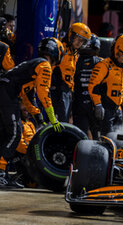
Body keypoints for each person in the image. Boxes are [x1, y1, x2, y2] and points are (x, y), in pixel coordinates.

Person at [0, 37, 64, 188]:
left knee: (4, 134)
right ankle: (1, 174)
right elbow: (43, 93)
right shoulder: (45, 66)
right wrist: (52, 119)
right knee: (15, 134)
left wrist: (39, 118)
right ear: (57, 54)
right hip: (7, 94)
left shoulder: (33, 64)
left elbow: (28, 96)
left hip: (5, 91)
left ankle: (2, 172)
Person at [88, 34, 123, 136]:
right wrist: (98, 105)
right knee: (107, 139)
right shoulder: (104, 65)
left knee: (116, 139)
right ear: (116, 50)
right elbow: (93, 86)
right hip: (105, 109)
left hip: (117, 110)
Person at [51, 22, 91, 122]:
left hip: (67, 92)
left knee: (64, 122)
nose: (79, 42)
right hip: (57, 91)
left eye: (82, 41)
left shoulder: (75, 54)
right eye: (77, 38)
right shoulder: (60, 48)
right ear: (71, 35)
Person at [73, 34, 101, 139]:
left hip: (79, 103)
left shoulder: (74, 60)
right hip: (95, 104)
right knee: (97, 135)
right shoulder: (101, 62)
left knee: (80, 135)